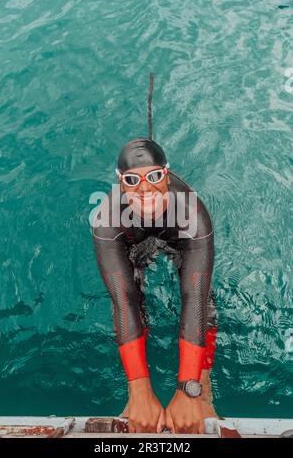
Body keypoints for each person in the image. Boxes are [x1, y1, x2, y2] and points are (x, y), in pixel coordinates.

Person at [91, 76, 218, 434]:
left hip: (179, 236)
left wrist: (186, 386)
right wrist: (140, 390)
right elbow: (123, 302)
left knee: (202, 298)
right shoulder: (107, 221)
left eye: (154, 177)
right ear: (120, 183)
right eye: (132, 181)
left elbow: (193, 299)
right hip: (132, 241)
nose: (144, 189)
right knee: (132, 292)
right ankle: (143, 393)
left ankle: (199, 389)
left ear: (166, 175)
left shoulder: (193, 214)